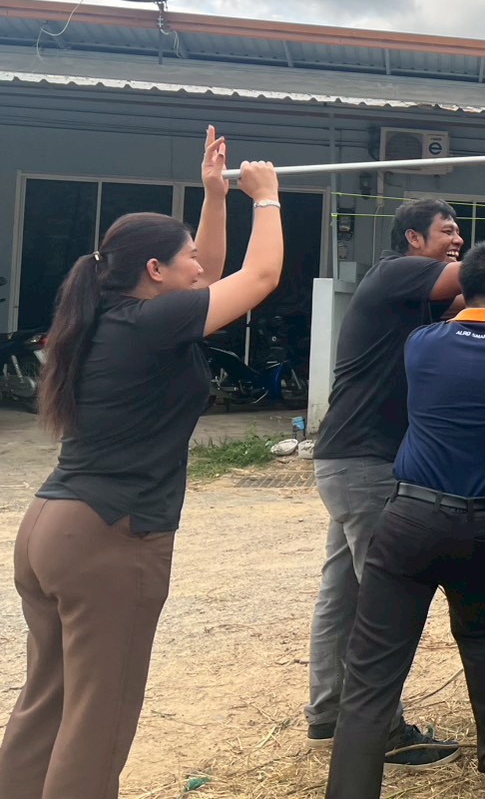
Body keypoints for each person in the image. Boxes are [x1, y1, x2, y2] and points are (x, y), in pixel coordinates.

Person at [0, 128, 283, 799]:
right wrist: (266, 201)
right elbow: (260, 276)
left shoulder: (111, 317)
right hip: (110, 536)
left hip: (52, 525)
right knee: (99, 720)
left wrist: (215, 197)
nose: (197, 267)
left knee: (50, 703)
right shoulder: (151, 326)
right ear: (155, 271)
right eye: (184, 256)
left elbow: (211, 275)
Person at [305, 198, 485, 766]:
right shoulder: (394, 273)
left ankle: (327, 710)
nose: (457, 238)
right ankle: (381, 729)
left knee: (342, 591)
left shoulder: (423, 320)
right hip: (370, 463)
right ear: (413, 240)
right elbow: (482, 281)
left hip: (349, 458)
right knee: (382, 618)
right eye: (446, 230)